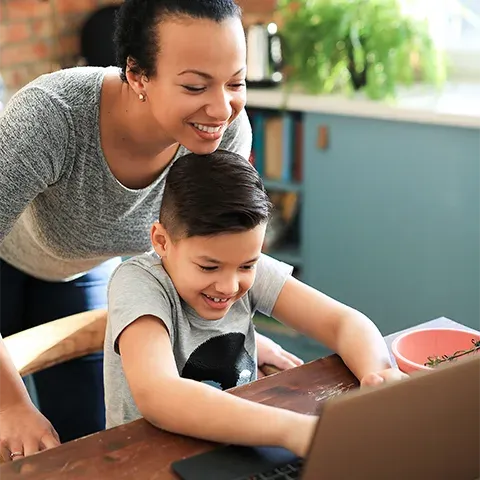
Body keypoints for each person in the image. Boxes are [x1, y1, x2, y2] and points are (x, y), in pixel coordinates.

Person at [0, 0, 303, 461]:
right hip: (7, 260)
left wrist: (235, 333)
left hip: (81, 271)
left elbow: (215, 252)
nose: (222, 108)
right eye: (196, 85)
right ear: (138, 75)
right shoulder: (50, 118)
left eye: (236, 82)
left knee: (90, 445)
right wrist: (9, 402)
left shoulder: (224, 132)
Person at [105, 150, 407, 457]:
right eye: (209, 267)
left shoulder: (238, 263)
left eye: (247, 266)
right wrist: (294, 430)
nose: (230, 285)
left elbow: (343, 322)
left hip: (238, 443)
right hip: (148, 456)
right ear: (161, 242)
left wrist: (378, 376)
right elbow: (159, 395)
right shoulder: (137, 283)